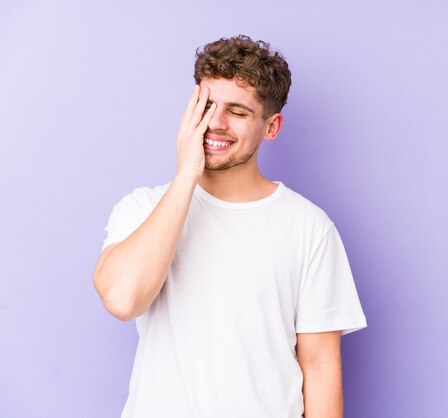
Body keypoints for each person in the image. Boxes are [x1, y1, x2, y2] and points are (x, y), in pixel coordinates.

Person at [93, 35, 367, 418]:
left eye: (237, 112)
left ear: (271, 127)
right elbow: (123, 300)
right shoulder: (143, 207)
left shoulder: (309, 228)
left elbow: (320, 366)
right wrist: (187, 175)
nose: (215, 124)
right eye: (206, 106)